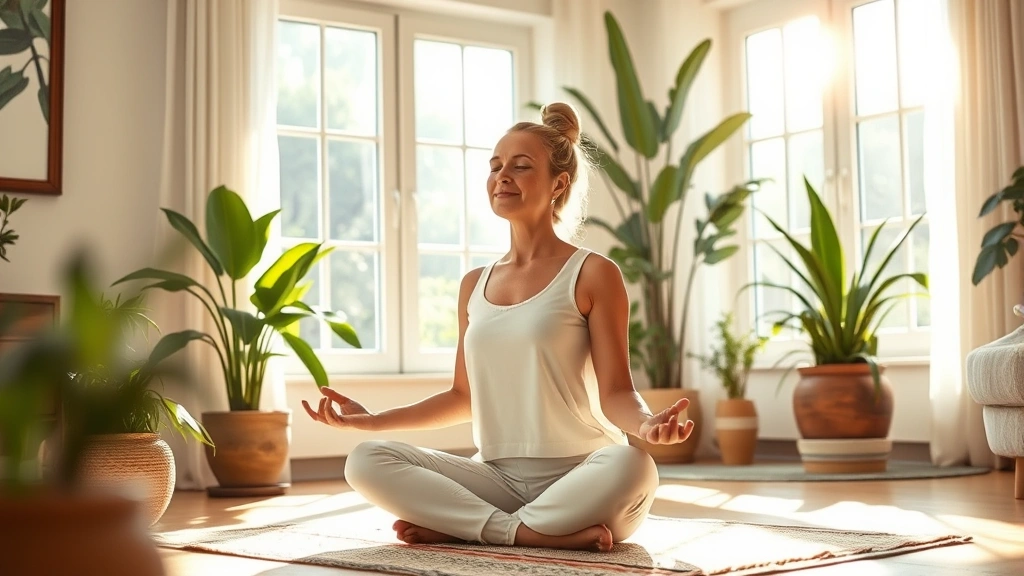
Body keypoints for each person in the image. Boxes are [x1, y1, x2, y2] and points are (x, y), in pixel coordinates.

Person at [302, 102, 694, 553]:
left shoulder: (592, 273)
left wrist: (648, 425)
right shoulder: (474, 284)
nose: (502, 176)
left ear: (558, 184)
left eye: (521, 166)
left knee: (633, 466)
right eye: (495, 166)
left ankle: (469, 528)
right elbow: (462, 398)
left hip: (585, 476)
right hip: (494, 476)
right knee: (366, 460)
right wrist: (371, 422)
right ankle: (526, 533)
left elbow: (617, 393)